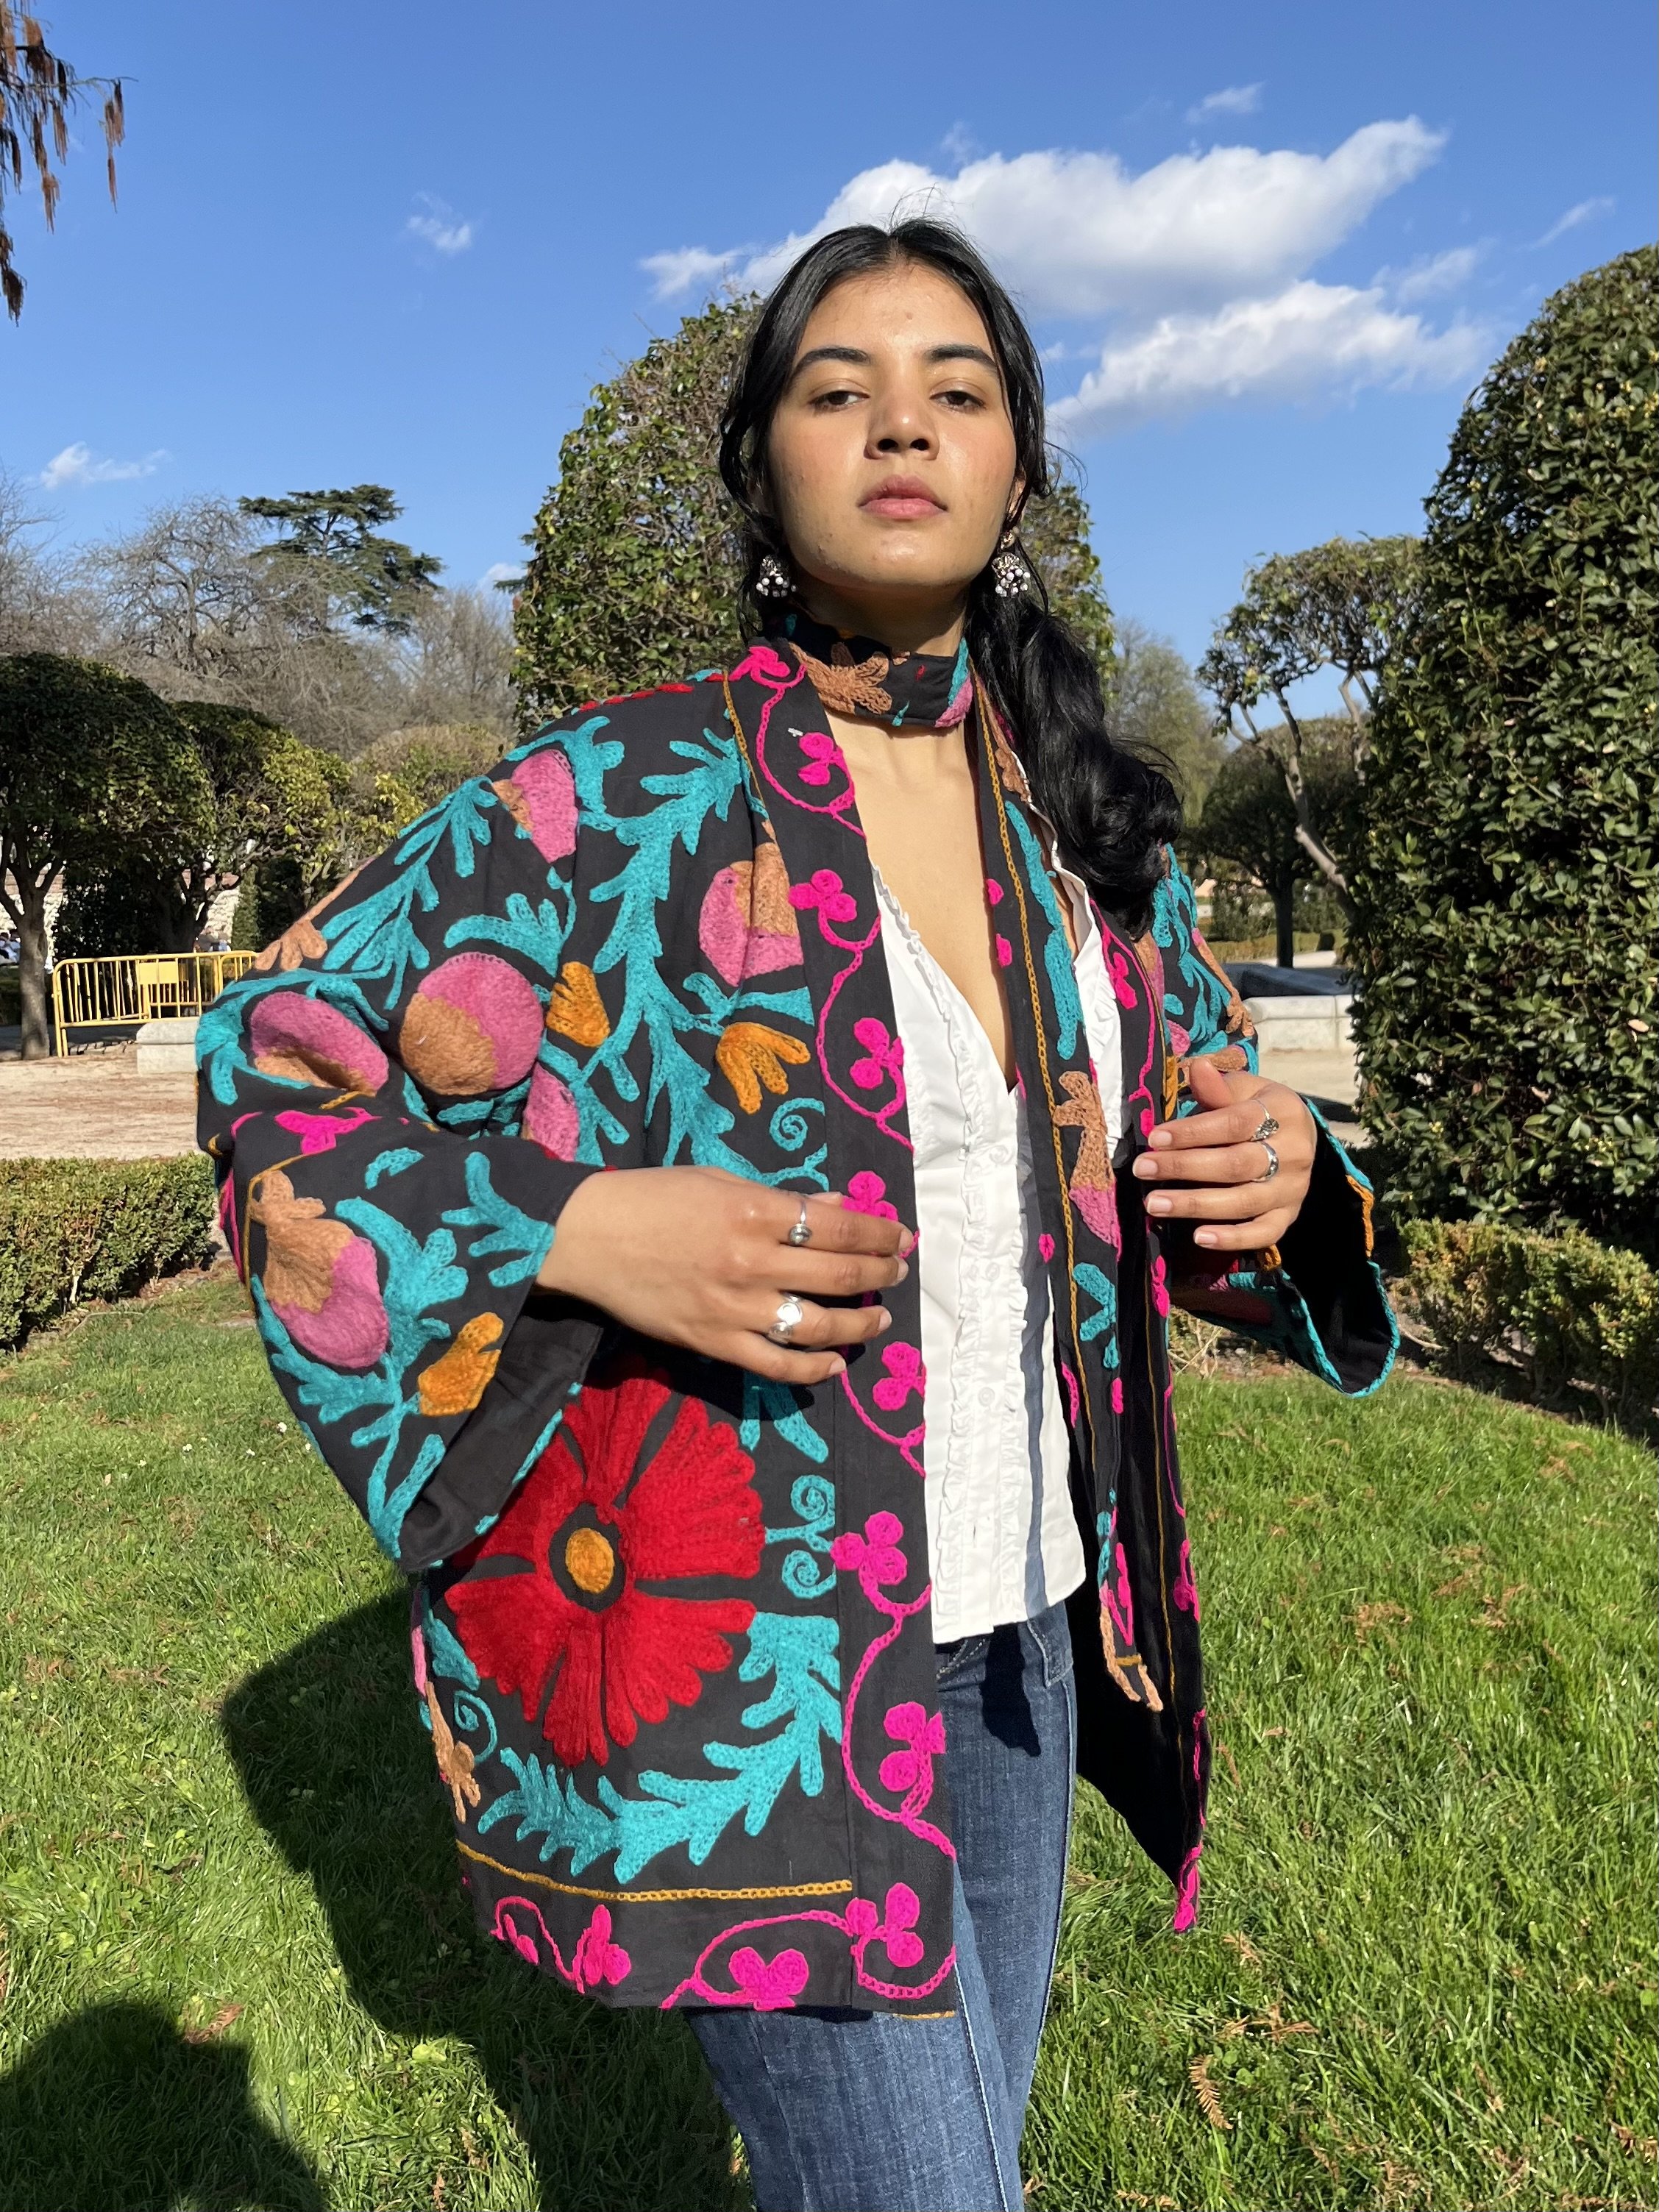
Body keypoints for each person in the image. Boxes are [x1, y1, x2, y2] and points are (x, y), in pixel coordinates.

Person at [198, 219, 1396, 2212]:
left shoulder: (1088, 830)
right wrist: (579, 1227)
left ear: (1018, 467)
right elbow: (274, 1058)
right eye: (841, 390)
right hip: (769, 1682)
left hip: (1027, 1634)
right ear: (761, 465)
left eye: (957, 389)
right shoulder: (612, 800)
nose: (902, 426)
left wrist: (1273, 1172)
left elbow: (1202, 1134)